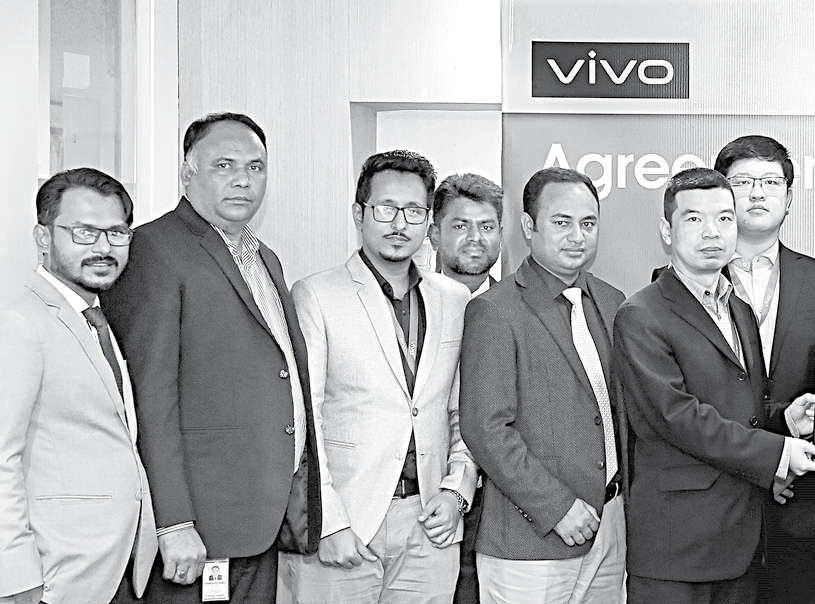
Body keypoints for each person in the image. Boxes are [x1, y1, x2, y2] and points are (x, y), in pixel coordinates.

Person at [103, 112, 322, 602]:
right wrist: (172, 521)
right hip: (196, 529)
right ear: (188, 172)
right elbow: (149, 398)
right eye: (224, 165)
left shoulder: (264, 257)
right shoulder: (154, 250)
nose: (243, 179)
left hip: (259, 520)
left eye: (255, 167)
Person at [613, 167, 815, 603]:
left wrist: (786, 422)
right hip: (678, 549)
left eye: (724, 218)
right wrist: (778, 452)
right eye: (694, 219)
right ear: (667, 231)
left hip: (742, 543)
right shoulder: (641, 314)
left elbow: (741, 407)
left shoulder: (738, 309)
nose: (711, 232)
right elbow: (678, 418)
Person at [277, 151, 477, 602]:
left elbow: (464, 411)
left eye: (414, 211)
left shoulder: (454, 300)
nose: (399, 223)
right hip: (346, 524)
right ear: (359, 214)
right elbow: (304, 418)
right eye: (386, 209)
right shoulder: (316, 295)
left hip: (430, 524)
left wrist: (456, 491)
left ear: (429, 220)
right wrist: (328, 522)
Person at [459, 167, 629, 603]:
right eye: (561, 222)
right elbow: (485, 429)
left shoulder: (612, 302)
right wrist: (556, 508)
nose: (577, 236)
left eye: (588, 223)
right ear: (529, 225)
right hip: (530, 540)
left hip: (610, 526)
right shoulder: (495, 311)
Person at [699, 135, 815, 604]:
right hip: (717, 501)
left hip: (803, 510)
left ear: (789, 196)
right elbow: (686, 404)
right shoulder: (680, 285)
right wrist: (765, 461)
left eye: (770, 182)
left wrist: (790, 456)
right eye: (743, 182)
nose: (757, 193)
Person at [0, 169, 156, 604]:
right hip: (54, 576)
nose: (103, 248)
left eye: (116, 233)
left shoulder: (97, 320)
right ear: (43, 237)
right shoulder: (20, 324)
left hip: (118, 567)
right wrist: (14, 578)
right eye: (84, 232)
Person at [429, 173, 503, 296]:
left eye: (486, 227)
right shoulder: (412, 303)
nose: (475, 237)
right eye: (460, 227)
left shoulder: (519, 306)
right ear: (435, 236)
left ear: (500, 236)